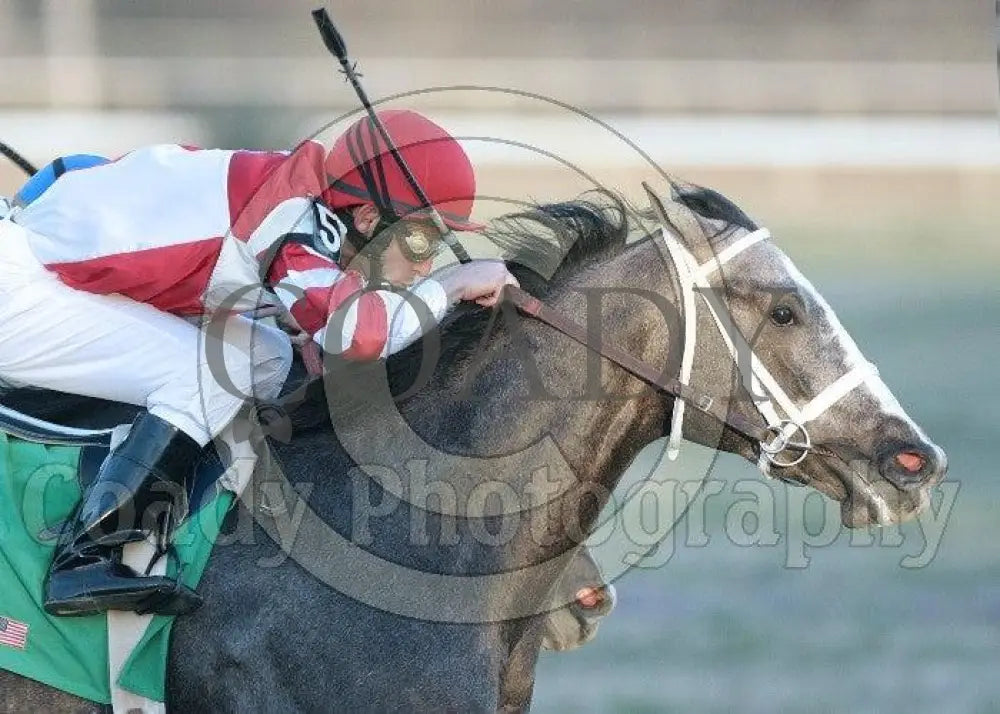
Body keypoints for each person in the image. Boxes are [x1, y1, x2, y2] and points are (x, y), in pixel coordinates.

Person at [0, 109, 517, 617]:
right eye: (422, 240)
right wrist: (447, 287)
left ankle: (187, 510)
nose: (427, 263)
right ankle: (89, 555)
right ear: (366, 218)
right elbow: (356, 335)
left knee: (267, 354)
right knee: (210, 372)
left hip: (39, 264)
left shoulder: (299, 192)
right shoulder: (292, 218)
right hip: (19, 292)